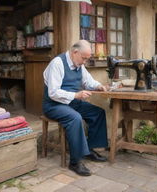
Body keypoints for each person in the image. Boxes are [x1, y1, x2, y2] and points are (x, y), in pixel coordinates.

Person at [42, 40, 108, 176]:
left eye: (87, 59)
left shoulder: (79, 64)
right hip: (54, 105)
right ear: (75, 52)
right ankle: (75, 161)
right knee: (75, 118)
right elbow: (53, 93)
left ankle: (89, 149)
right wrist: (76, 95)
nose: (84, 62)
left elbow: (87, 81)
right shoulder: (57, 63)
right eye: (84, 58)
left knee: (98, 112)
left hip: (72, 102)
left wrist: (98, 86)